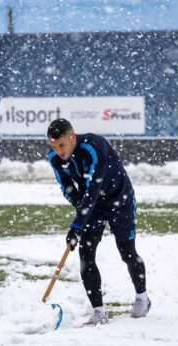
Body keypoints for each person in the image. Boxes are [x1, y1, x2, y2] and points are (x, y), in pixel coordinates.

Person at [46, 118, 150, 326]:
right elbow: (68, 189)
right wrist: (81, 215)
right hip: (91, 205)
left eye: (62, 145)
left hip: (119, 199)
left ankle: (142, 297)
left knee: (127, 252)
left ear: (72, 137)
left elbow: (95, 186)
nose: (59, 151)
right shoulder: (55, 158)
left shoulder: (94, 147)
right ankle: (98, 311)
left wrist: (77, 223)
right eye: (54, 147)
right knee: (86, 254)